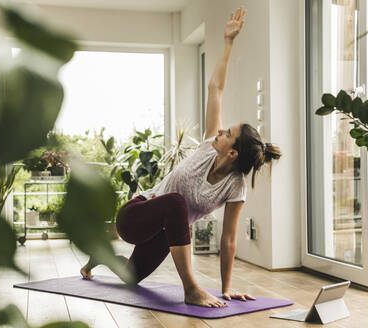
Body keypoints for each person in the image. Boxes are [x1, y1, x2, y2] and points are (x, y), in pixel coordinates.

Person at [80, 6, 282, 308]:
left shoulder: (235, 187)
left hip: (163, 232)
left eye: (226, 133)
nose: (219, 133)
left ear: (233, 152)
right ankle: (191, 288)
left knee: (131, 276)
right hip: (136, 215)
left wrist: (227, 289)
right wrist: (228, 41)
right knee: (176, 202)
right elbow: (216, 88)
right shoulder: (206, 148)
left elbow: (228, 239)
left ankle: (98, 256)